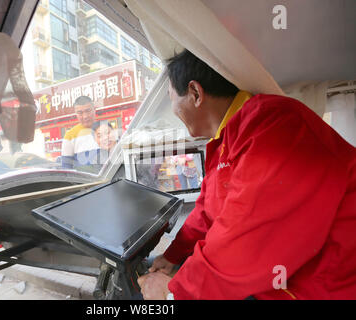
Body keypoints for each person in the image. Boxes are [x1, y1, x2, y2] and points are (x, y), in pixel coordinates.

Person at [137, 49, 356, 300]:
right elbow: (206, 213)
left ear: (196, 93)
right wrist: (172, 255)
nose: (173, 110)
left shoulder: (273, 122)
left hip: (323, 287)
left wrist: (173, 293)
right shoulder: (224, 143)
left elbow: (247, 239)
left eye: (170, 97)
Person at [60, 96, 99, 169]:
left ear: (94, 110)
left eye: (88, 111)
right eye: (80, 113)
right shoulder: (70, 136)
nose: (85, 116)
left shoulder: (105, 129)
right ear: (76, 114)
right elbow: (66, 167)